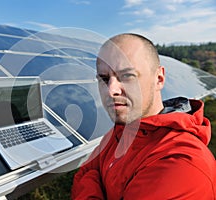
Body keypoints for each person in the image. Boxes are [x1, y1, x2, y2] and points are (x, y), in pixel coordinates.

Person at [71, 33, 216, 199]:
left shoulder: (181, 165)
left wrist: (91, 179)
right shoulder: (120, 132)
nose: (112, 91)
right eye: (104, 79)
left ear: (159, 79)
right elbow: (85, 170)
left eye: (127, 76)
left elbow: (86, 173)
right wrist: (91, 176)